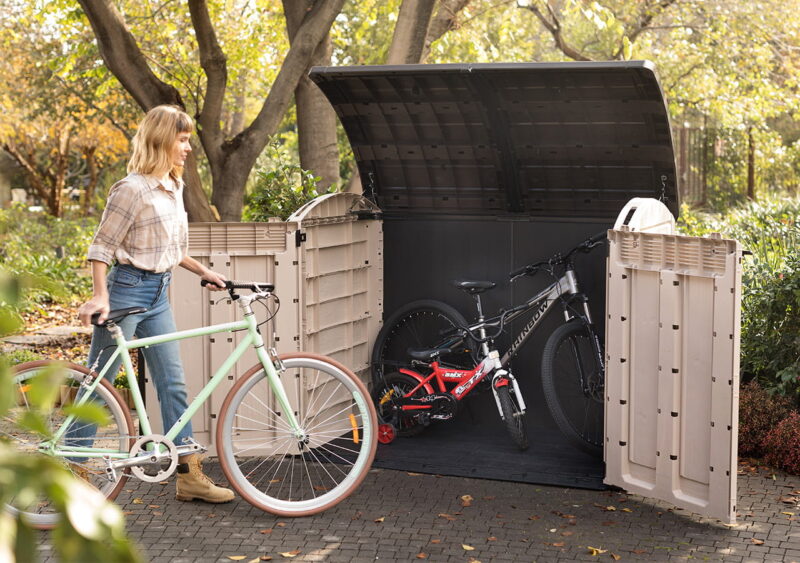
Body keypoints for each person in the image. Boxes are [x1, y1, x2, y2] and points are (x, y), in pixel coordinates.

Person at [76, 105, 234, 504]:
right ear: (162, 139)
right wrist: (101, 296)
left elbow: (173, 248)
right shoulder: (131, 189)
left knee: (173, 383)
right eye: (182, 140)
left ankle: (187, 473)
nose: (188, 148)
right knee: (100, 385)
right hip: (126, 291)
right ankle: (72, 469)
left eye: (188, 140)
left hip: (158, 294)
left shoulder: (173, 185)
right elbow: (101, 247)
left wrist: (204, 270)